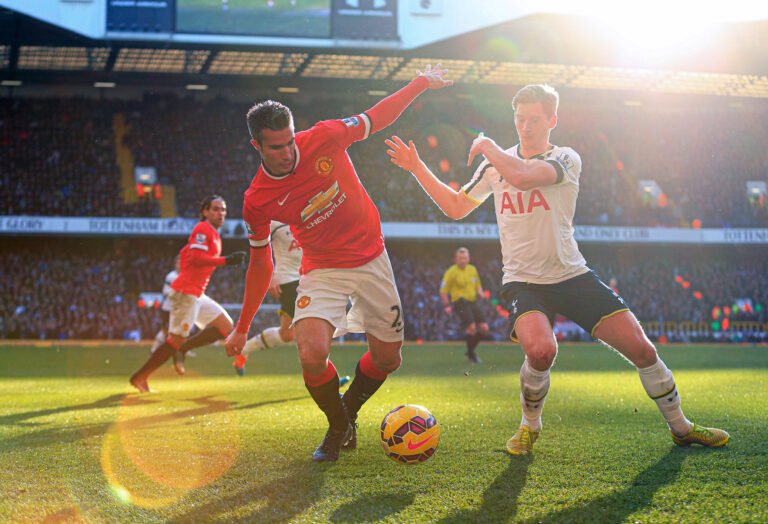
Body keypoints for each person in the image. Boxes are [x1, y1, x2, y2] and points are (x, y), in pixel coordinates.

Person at [385, 83, 729, 455]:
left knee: (643, 351)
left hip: (572, 275)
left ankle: (681, 428)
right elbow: (455, 207)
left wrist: (487, 146)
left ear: (552, 119)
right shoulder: (494, 167)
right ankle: (529, 426)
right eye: (519, 119)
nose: (526, 127)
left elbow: (525, 176)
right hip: (523, 282)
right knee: (541, 351)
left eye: (534, 119)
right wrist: (417, 166)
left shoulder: (565, 158)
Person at [225, 65, 453, 462]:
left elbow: (376, 116)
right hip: (321, 268)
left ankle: (349, 411)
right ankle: (337, 426)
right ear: (255, 146)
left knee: (388, 359)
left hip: (371, 258)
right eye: (275, 147)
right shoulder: (256, 199)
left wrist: (419, 84)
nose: (286, 152)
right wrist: (241, 329)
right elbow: (259, 264)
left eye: (289, 141)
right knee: (311, 353)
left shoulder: (325, 136)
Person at [130, 195, 245, 392]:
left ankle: (183, 349)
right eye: (216, 209)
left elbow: (187, 254)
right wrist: (227, 261)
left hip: (196, 293)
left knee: (225, 325)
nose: (221, 213)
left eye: (223, 209)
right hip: (186, 292)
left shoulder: (214, 234)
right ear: (205, 212)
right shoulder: (202, 229)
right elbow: (197, 257)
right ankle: (140, 377)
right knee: (174, 339)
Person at [440, 247, 488, 363]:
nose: (463, 260)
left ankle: (470, 350)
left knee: (484, 328)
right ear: (455, 259)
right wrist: (446, 305)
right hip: (460, 302)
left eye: (465, 258)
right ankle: (471, 354)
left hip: (473, 301)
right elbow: (443, 290)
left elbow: (477, 284)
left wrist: (481, 293)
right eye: (460, 258)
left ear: (468, 259)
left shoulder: (472, 269)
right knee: (471, 327)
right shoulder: (451, 271)